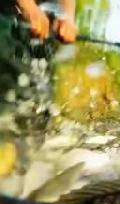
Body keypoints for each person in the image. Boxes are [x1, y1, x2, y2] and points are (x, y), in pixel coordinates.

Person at [0, 0, 77, 136]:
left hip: (37, 29)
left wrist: (67, 15)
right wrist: (28, 6)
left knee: (38, 112)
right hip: (6, 20)